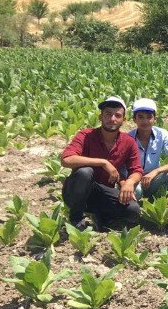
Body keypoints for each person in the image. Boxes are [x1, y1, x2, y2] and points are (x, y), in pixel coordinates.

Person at [61, 96, 142, 230]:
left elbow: (137, 170)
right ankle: (76, 217)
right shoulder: (86, 135)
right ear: (100, 117)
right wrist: (103, 162)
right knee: (85, 172)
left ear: (124, 120)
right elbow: (66, 159)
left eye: (117, 115)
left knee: (133, 211)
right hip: (76, 192)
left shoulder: (128, 142)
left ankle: (99, 215)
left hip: (102, 191)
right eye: (108, 114)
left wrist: (129, 183)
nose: (112, 119)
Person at [128, 98, 168, 199]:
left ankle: (155, 198)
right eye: (140, 117)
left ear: (155, 119)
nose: (145, 121)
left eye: (149, 117)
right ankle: (135, 203)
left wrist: (156, 172)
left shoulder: (162, 134)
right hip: (134, 180)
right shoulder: (128, 138)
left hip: (153, 179)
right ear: (134, 119)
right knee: (135, 191)